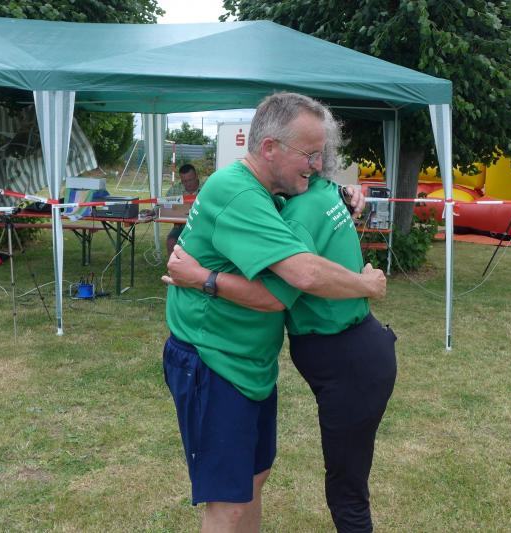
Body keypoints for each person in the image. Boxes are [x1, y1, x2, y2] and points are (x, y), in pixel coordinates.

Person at [162, 92, 386, 533]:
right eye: (310, 154)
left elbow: (315, 192)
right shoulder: (238, 194)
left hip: (248, 365)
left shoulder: (272, 191)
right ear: (269, 148)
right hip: (214, 361)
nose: (318, 165)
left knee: (252, 480)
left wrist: (345, 192)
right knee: (229, 502)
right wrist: (365, 285)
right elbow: (291, 284)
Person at [165, 164, 201, 254]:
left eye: (190, 180)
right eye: (184, 181)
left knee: (199, 245)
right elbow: (163, 205)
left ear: (196, 176)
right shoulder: (175, 189)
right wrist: (153, 211)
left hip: (203, 226)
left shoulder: (206, 187)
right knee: (171, 242)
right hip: (181, 226)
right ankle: (175, 263)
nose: (188, 184)